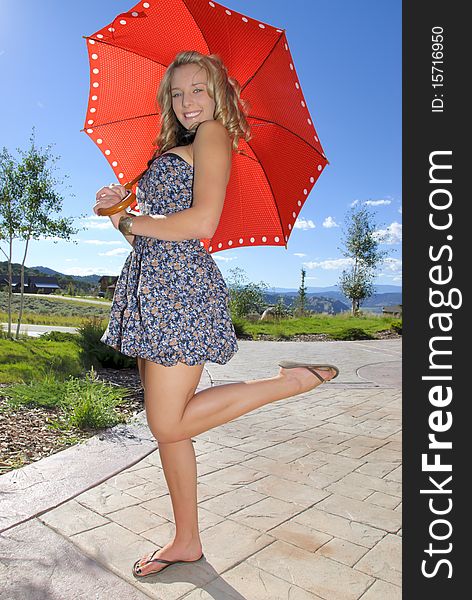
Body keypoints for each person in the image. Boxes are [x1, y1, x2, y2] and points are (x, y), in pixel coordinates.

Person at [93, 50, 339, 579]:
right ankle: (186, 540)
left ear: (219, 93)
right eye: (177, 93)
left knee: (166, 419)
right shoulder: (174, 145)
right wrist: (118, 212)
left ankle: (288, 384)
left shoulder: (212, 135)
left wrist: (133, 221)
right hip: (153, 286)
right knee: (171, 430)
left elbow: (202, 222)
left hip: (180, 290)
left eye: (198, 90)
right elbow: (148, 224)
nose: (187, 102)